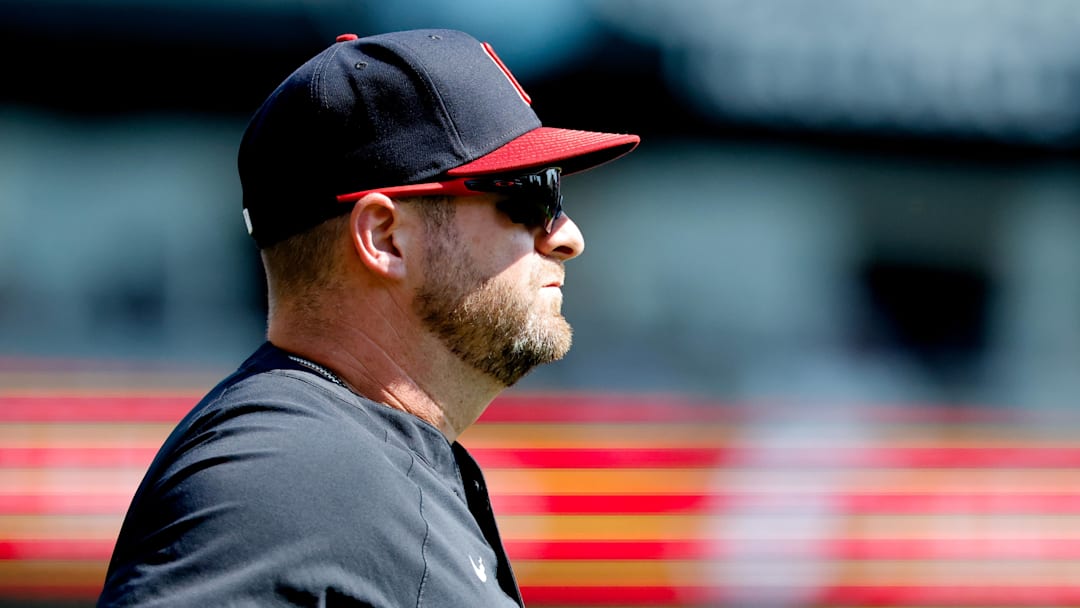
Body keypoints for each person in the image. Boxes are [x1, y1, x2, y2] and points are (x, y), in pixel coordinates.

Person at [97, 28, 639, 607]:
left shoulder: (343, 457)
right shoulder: (289, 471)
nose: (567, 237)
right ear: (385, 237)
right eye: (528, 194)